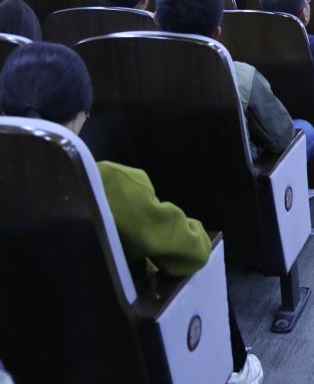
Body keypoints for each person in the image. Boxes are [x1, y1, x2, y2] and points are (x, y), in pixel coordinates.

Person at [0, 42, 264, 383]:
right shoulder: (109, 183)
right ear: (82, 112)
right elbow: (193, 249)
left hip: (24, 357)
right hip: (123, 352)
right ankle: (238, 369)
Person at [155, 0, 314, 161]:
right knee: (306, 131)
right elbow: (282, 137)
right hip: (234, 175)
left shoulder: (133, 74)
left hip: (157, 170)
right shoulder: (241, 76)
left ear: (156, 19)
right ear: (217, 33)